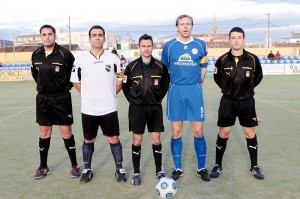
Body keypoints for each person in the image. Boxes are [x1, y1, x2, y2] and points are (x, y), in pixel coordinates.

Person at [70, 25, 127, 183]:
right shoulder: (80, 60)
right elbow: (75, 81)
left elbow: (120, 80)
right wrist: (89, 94)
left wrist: (109, 94)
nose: (97, 37)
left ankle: (119, 169)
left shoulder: (114, 58)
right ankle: (87, 169)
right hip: (89, 108)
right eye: (94, 35)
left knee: (113, 138)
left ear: (104, 38)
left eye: (100, 35)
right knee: (89, 139)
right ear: (89, 39)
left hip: (109, 107)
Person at [161, 14, 211, 182]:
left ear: (192, 26)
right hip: (176, 90)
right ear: (177, 27)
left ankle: (201, 168)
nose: (185, 27)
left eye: (188, 24)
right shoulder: (169, 46)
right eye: (182, 24)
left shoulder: (200, 44)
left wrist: (197, 85)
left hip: (194, 91)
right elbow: (164, 70)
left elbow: (203, 67)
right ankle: (178, 168)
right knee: (176, 132)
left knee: (198, 131)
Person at [212, 27, 264, 180]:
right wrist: (228, 90)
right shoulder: (222, 60)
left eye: (239, 37)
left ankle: (254, 166)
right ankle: (217, 165)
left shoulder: (252, 59)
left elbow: (259, 76)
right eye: (233, 37)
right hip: (227, 102)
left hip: (247, 102)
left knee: (249, 133)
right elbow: (217, 78)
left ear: (244, 40)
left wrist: (247, 89)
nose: (236, 40)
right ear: (229, 40)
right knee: (224, 132)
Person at [31, 24, 80, 179]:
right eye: (44, 34)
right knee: (44, 132)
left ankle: (74, 165)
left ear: (55, 36)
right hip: (43, 99)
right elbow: (35, 74)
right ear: (40, 37)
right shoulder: (36, 54)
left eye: (50, 34)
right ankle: (43, 166)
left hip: (62, 98)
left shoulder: (65, 54)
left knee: (66, 132)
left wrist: (66, 86)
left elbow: (76, 72)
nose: (47, 37)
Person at [122, 34, 170, 185]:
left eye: (149, 46)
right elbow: (125, 86)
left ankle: (159, 171)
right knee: (137, 139)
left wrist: (157, 99)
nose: (146, 48)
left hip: (155, 108)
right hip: (137, 109)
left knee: (156, 139)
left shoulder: (160, 66)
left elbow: (165, 86)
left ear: (153, 47)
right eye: (143, 46)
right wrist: (133, 101)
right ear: (139, 47)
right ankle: (136, 172)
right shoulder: (131, 67)